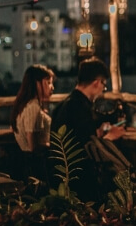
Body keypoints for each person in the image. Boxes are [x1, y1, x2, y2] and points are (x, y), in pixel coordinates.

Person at [51, 57, 126, 201]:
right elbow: (87, 147)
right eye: (104, 85)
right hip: (79, 181)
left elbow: (80, 135)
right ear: (97, 82)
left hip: (60, 175)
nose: (103, 90)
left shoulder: (64, 105)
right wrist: (110, 136)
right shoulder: (79, 107)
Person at [11, 64, 55, 187]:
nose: (52, 87)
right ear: (37, 83)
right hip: (37, 164)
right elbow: (32, 145)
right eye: (48, 82)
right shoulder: (33, 107)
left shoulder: (26, 105)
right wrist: (53, 145)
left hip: (29, 162)